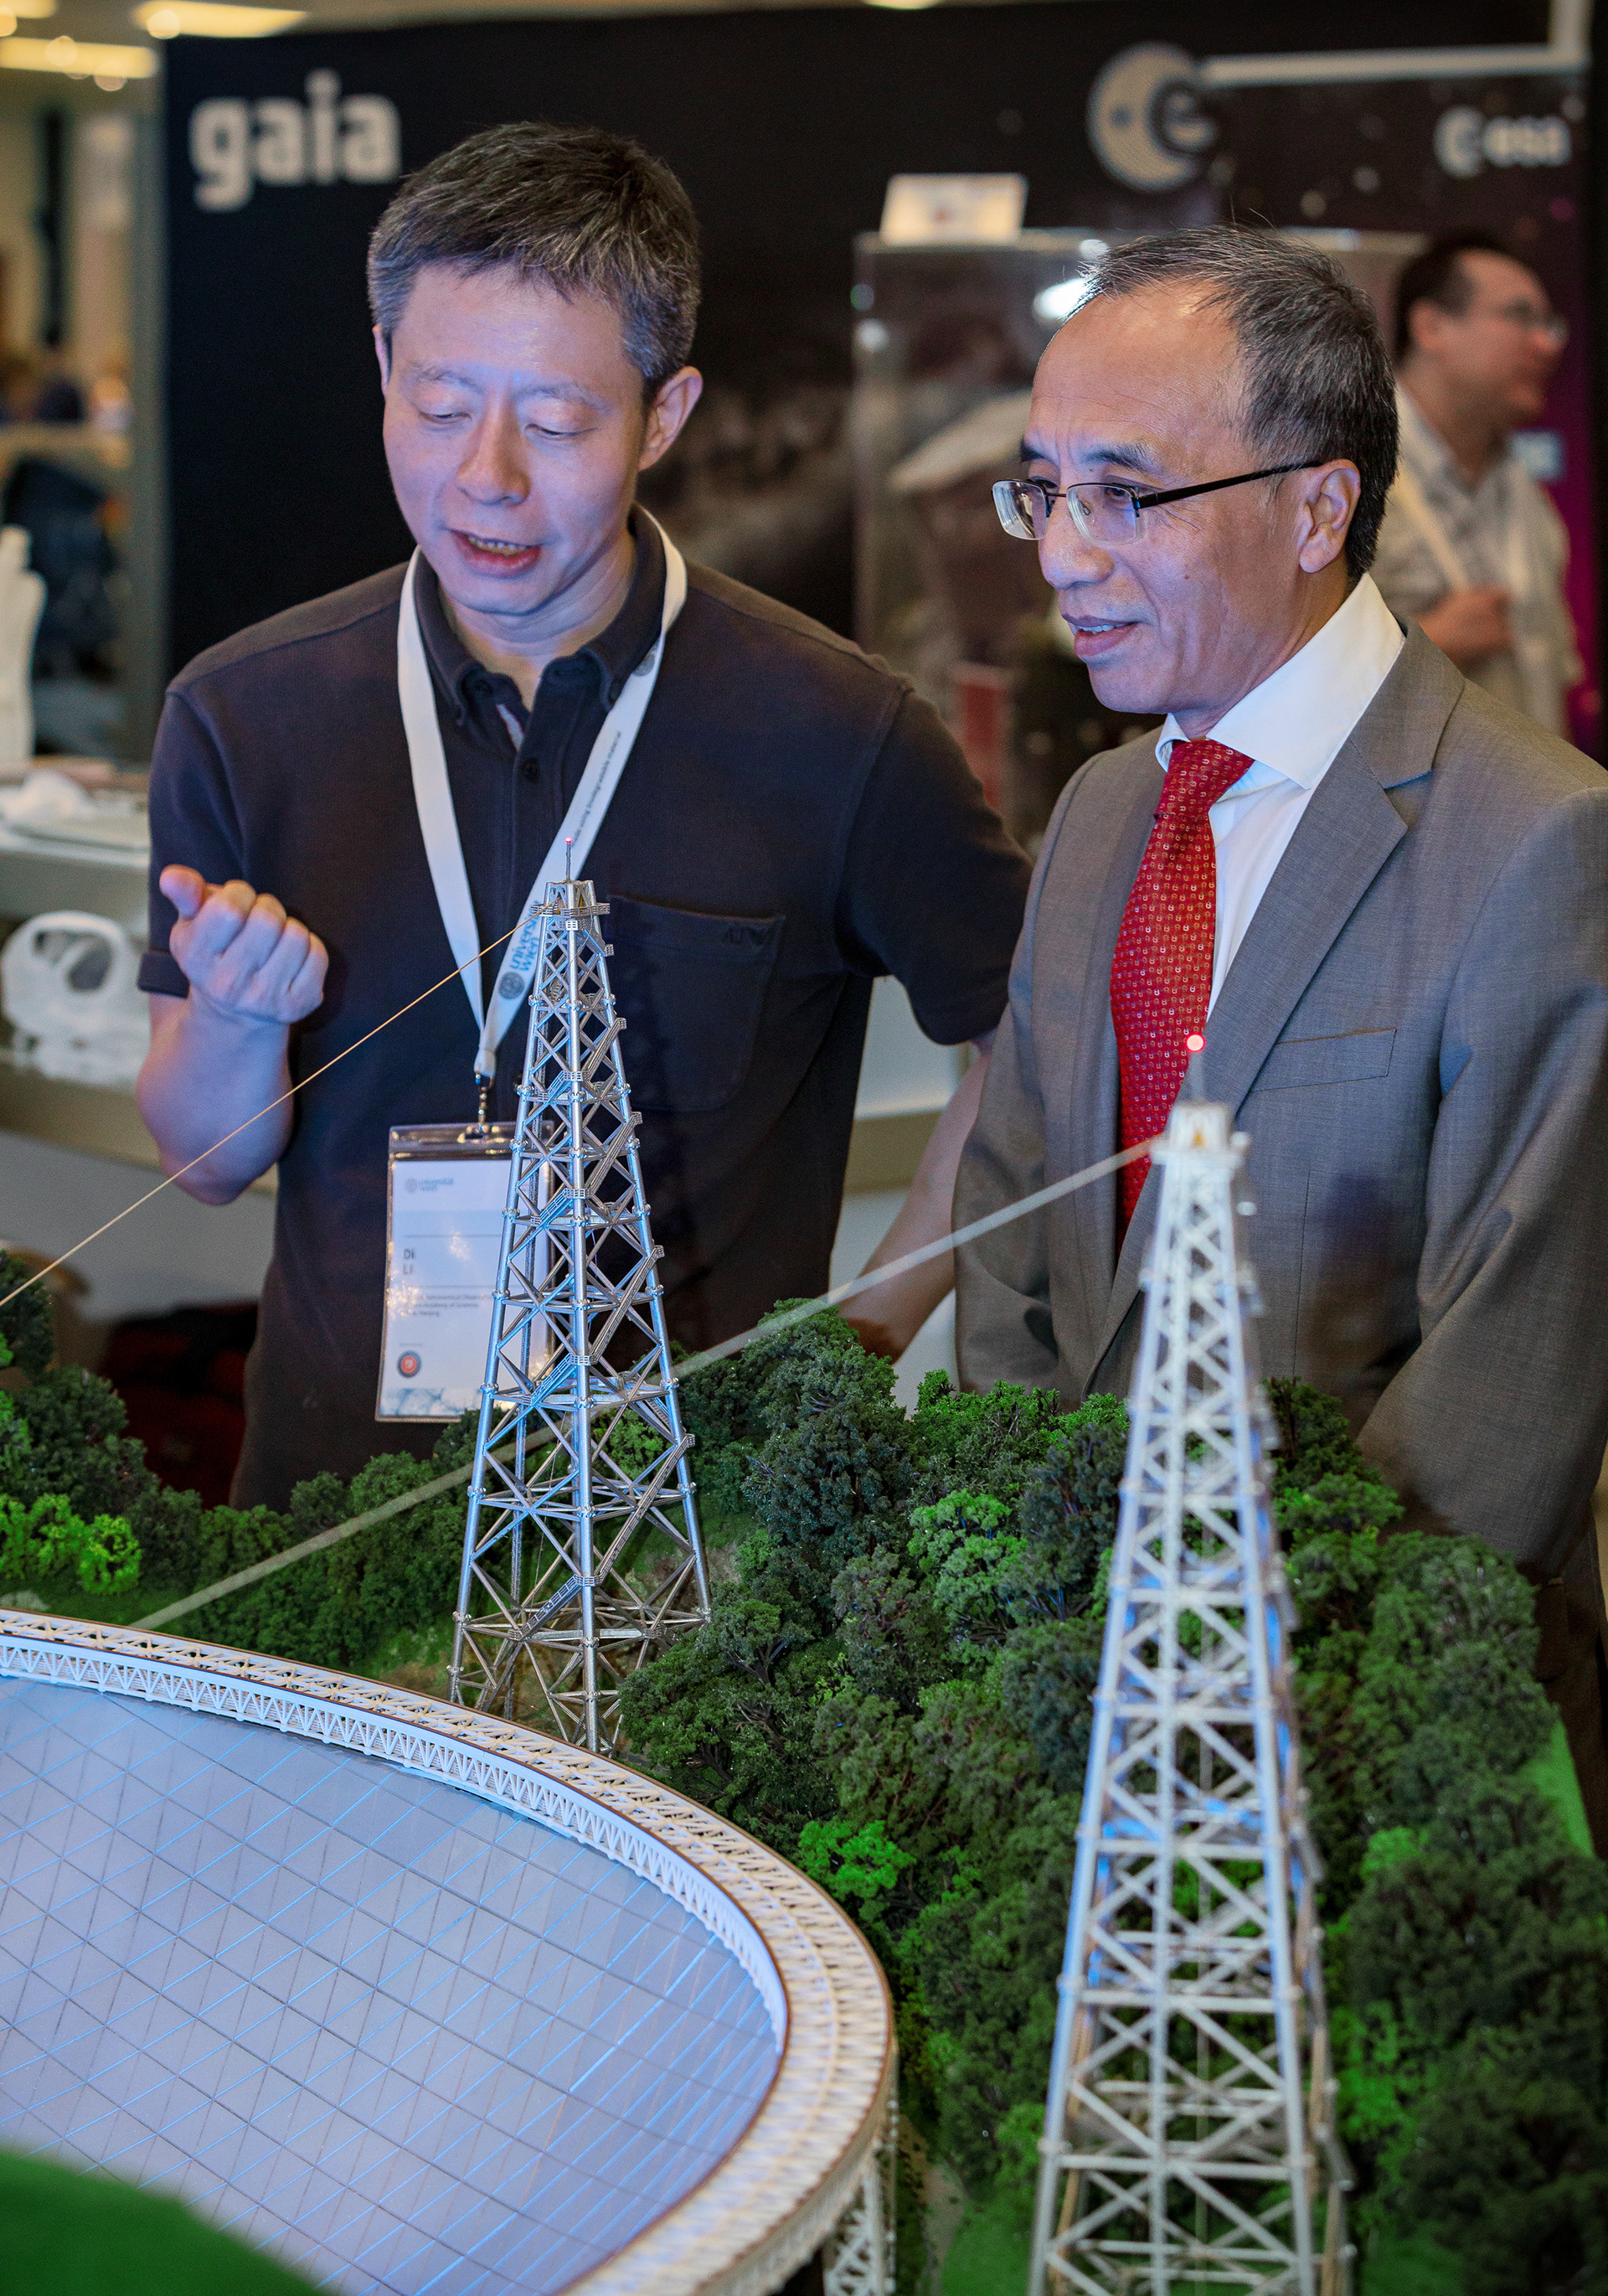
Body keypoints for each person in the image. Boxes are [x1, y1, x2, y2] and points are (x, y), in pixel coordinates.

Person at [137, 121, 1028, 1510]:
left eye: (555, 422)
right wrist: (238, 1020)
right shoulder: (245, 714)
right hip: (324, 1509)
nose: (486, 475)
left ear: (665, 416)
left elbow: (1031, 1047)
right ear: (381, 367)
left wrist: (869, 1325)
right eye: (439, 406)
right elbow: (201, 1163)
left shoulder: (837, 730)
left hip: (699, 1533)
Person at [954, 227, 1608, 1839]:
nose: (1063, 554)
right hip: (1081, 1704)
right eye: (1043, 491)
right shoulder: (1103, 811)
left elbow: (1507, 1400)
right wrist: (1047, 1603)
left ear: (1319, 508)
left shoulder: (1539, 837)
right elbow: (1016, 1237)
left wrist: (1244, 1693)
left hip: (1385, 1748)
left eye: (1125, 494)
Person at [1371, 231, 1583, 737]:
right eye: (1520, 317)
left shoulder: (1525, 493)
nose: (1547, 344)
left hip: (1530, 781)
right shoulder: (1347, 480)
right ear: (1431, 327)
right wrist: (1430, 645)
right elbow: (1274, 684)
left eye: (1549, 324)